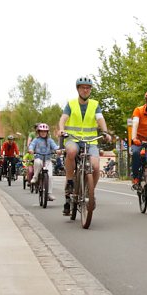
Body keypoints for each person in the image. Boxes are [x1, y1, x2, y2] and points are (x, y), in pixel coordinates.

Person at [57, 76, 111, 215]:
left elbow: (100, 119)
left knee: (96, 165)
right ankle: (70, 181)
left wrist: (105, 132)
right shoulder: (71, 104)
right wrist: (62, 129)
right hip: (73, 138)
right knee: (72, 152)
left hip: (91, 141)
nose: (85, 90)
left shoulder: (95, 104)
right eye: (82, 87)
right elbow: (63, 118)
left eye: (88, 88)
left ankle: (90, 192)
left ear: (90, 90)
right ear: (78, 89)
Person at [28, 123, 59, 200]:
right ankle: (35, 177)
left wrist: (58, 150)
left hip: (48, 160)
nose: (43, 133)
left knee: (50, 177)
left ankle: (49, 194)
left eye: (45, 131)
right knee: (37, 162)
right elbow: (31, 145)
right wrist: (31, 150)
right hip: (39, 158)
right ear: (38, 132)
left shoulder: (50, 140)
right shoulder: (36, 140)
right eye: (41, 131)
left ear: (47, 132)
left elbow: (55, 147)